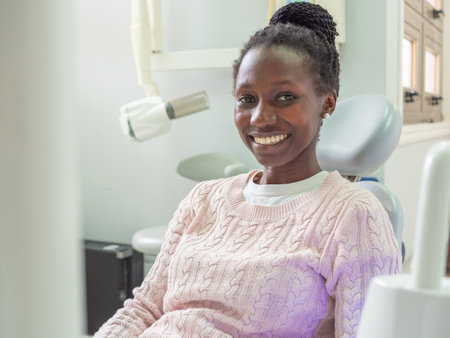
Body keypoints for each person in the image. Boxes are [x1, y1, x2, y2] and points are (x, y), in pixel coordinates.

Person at [94, 2, 401, 337]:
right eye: (246, 99)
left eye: (284, 97)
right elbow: (145, 308)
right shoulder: (204, 198)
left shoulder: (354, 215)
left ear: (327, 102)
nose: (260, 118)